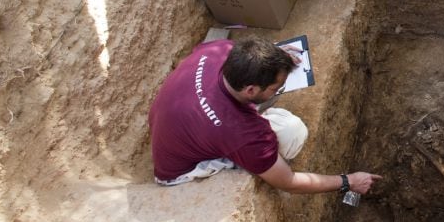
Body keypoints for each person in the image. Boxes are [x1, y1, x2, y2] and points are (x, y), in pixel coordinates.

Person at [149, 36, 381, 196]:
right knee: (291, 131)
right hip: (179, 170)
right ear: (250, 90)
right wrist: (348, 181)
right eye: (275, 88)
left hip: (172, 126)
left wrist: (275, 56)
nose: (279, 90)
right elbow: (288, 182)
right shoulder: (243, 133)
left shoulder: (218, 51)